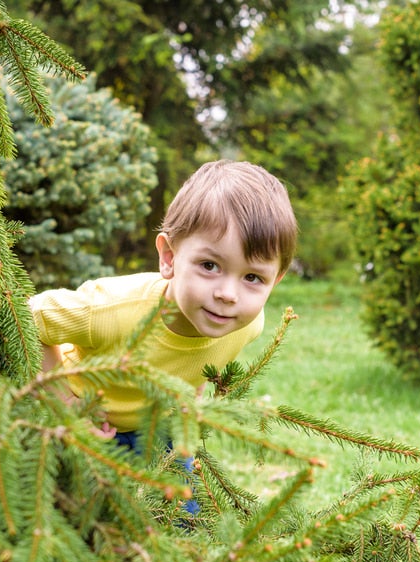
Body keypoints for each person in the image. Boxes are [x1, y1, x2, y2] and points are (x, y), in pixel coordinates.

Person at [28, 159, 297, 469]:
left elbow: (195, 362)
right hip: (83, 422)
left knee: (182, 516)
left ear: (275, 281)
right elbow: (27, 317)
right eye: (210, 266)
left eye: (252, 277)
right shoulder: (110, 310)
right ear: (169, 256)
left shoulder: (247, 325)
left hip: (158, 429)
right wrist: (64, 402)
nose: (228, 294)